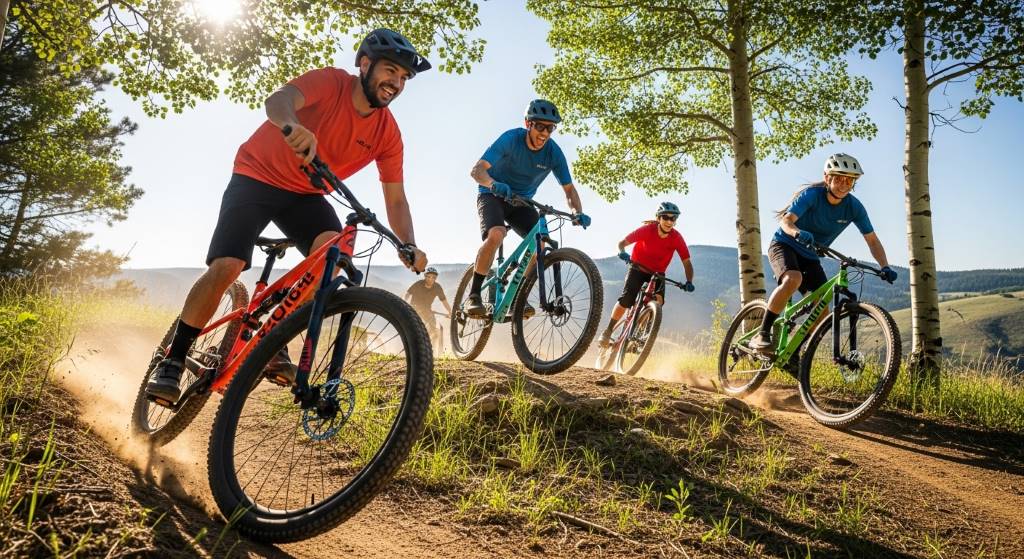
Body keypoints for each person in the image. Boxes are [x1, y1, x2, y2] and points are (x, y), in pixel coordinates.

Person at [146, 29, 432, 405]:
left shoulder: (387, 133)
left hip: (306, 195)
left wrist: (408, 243)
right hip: (256, 176)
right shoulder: (331, 82)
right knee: (228, 265)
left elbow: (395, 199)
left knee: (332, 256)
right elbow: (278, 100)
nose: (396, 82)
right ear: (365, 64)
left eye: (404, 77)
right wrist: (292, 125)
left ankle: (272, 340)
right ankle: (174, 357)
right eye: (390, 71)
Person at [749, 153, 897, 360]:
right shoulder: (812, 195)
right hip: (784, 244)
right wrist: (797, 233)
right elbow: (786, 221)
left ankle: (794, 356)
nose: (844, 184)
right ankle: (762, 333)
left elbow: (872, 240)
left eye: (849, 180)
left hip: (810, 254)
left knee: (822, 311)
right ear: (827, 178)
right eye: (839, 178)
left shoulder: (854, 207)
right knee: (792, 279)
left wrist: (885, 266)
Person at [463, 99, 590, 316]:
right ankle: (474, 295)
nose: (545, 133)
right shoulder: (511, 139)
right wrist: (493, 184)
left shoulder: (553, 153)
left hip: (521, 202)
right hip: (492, 194)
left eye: (550, 128)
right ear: (528, 124)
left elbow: (569, 189)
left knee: (539, 245)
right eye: (540, 126)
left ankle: (516, 299)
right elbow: (477, 171)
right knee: (497, 234)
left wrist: (577, 212)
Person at [598, 202, 695, 347]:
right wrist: (622, 252)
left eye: (673, 218)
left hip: (657, 273)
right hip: (638, 268)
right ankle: (608, 331)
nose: (669, 221)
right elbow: (622, 243)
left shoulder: (676, 238)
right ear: (658, 218)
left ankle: (640, 335)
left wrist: (689, 281)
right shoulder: (647, 230)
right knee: (627, 299)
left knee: (658, 302)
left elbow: (686, 262)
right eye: (665, 217)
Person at [404, 267, 452, 343]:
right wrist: (404, 303)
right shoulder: (418, 284)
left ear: (436, 278)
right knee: (413, 327)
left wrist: (450, 311)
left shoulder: (437, 287)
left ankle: (430, 344)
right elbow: (407, 294)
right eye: (428, 277)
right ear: (425, 276)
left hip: (427, 310)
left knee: (435, 328)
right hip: (414, 309)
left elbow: (444, 300)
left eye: (433, 277)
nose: (431, 279)